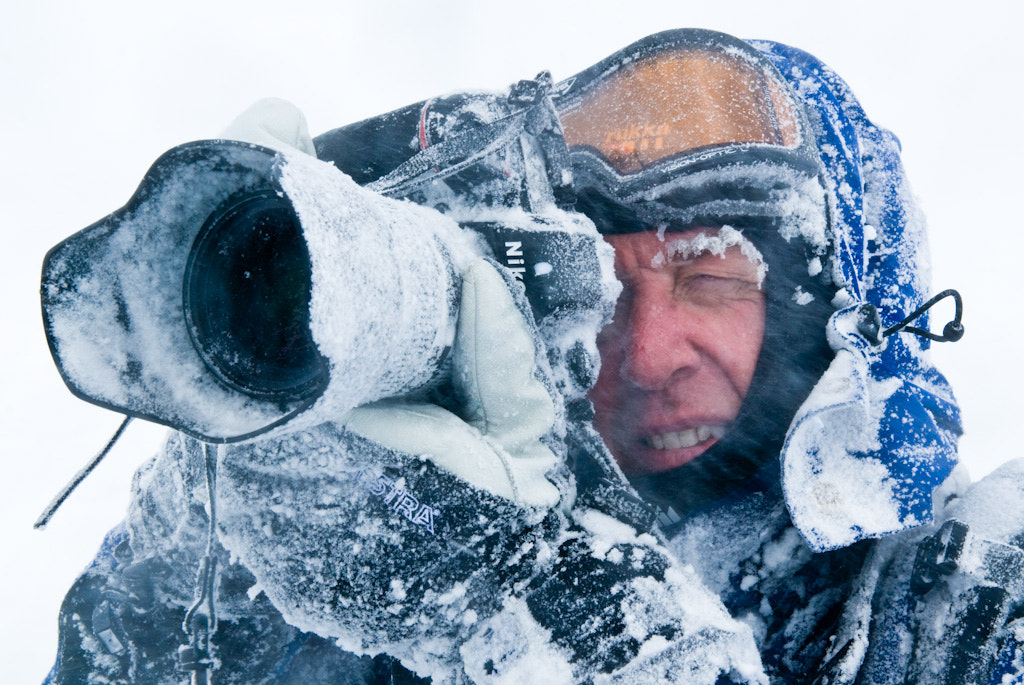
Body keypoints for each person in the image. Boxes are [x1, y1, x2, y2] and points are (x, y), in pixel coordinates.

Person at [42, 28, 1024, 684]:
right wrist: (206, 560)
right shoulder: (395, 563)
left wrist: (541, 602)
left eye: (708, 275)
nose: (639, 353)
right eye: (599, 287)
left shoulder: (968, 601)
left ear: (835, 319)